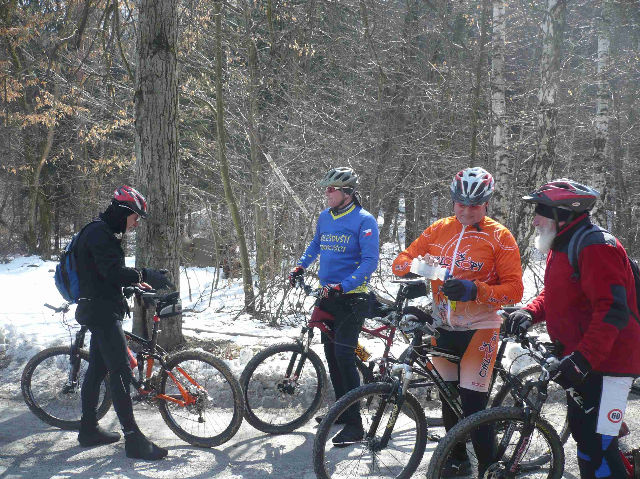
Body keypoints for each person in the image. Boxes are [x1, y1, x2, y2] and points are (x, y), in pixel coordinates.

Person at [392, 167, 523, 477]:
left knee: (474, 404)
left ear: (486, 203)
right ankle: (457, 458)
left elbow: (515, 290)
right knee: (448, 399)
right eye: (460, 204)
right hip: (443, 327)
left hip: (481, 328)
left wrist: (475, 289)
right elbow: (399, 263)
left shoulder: (500, 237)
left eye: (473, 206)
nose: (465, 211)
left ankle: (490, 468)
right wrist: (419, 269)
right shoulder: (438, 229)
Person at [505, 179, 640, 479]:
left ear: (564, 214)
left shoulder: (595, 247)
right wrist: (530, 312)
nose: (535, 219)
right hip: (583, 361)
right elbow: (557, 295)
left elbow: (612, 311)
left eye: (541, 211)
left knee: (598, 444)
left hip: (610, 364)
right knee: (584, 433)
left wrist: (582, 360)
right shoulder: (562, 243)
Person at [75, 185, 173, 460]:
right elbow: (111, 271)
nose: (137, 222)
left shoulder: (101, 231)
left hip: (100, 309)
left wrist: (129, 284)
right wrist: (144, 273)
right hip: (102, 314)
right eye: (135, 216)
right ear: (124, 211)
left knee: (97, 369)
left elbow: (102, 274)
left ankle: (88, 429)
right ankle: (133, 439)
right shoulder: (99, 233)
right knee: (119, 371)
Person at [288, 167, 379, 446]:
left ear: (347, 193)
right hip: (328, 295)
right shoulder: (325, 217)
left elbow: (369, 262)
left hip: (353, 297)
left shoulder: (365, 221)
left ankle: (356, 427)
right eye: (325, 189)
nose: (326, 193)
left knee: (343, 356)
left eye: (331, 189)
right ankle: (342, 410)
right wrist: (301, 264)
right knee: (331, 355)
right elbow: (316, 244)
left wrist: (346, 285)